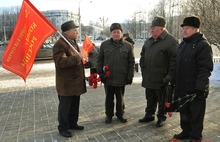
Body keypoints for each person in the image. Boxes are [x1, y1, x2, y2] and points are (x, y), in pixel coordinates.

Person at [171, 16, 213, 142]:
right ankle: (186, 131)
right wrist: (173, 81)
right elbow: (178, 65)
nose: (184, 31)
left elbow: (205, 68)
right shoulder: (183, 44)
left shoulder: (203, 45)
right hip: (182, 86)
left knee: (196, 114)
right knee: (184, 111)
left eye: (187, 28)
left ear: (196, 29)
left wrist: (201, 87)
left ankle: (195, 136)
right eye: (183, 28)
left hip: (196, 87)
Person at [139, 16, 178, 127]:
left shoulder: (170, 41)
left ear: (162, 29)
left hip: (162, 77)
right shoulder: (149, 40)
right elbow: (142, 54)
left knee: (162, 99)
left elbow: (174, 60)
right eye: (151, 28)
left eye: (154, 28)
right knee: (150, 97)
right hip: (149, 76)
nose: (151, 30)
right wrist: (143, 65)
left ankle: (161, 117)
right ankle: (149, 115)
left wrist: (170, 76)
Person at [52, 20, 87, 138]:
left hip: (75, 82)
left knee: (74, 105)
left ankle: (73, 123)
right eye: (75, 30)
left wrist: (83, 61)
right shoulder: (59, 45)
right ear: (67, 32)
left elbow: (77, 58)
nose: (77, 32)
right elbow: (60, 62)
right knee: (65, 107)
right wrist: (77, 58)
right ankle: (63, 127)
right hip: (66, 84)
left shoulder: (71, 42)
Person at [97, 23, 135, 124]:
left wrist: (130, 76)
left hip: (121, 77)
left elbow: (131, 62)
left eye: (118, 32)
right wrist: (100, 73)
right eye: (114, 32)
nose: (116, 34)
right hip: (108, 78)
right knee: (109, 98)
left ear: (121, 33)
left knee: (120, 98)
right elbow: (100, 60)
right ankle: (108, 115)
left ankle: (120, 114)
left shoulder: (128, 46)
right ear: (111, 33)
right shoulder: (104, 45)